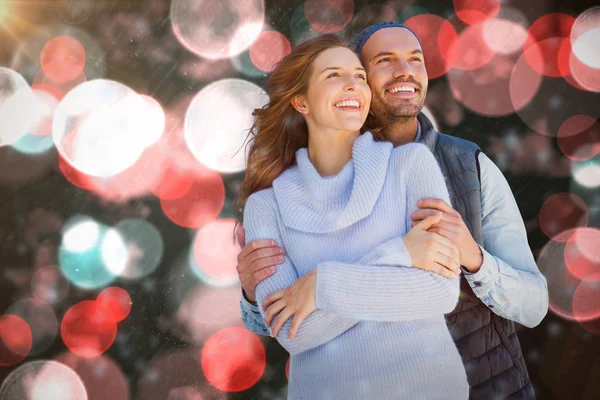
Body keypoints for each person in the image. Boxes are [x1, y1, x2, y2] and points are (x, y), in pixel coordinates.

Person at [237, 22, 549, 400]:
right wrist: (397, 255)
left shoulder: (467, 166)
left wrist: (474, 257)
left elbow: (527, 304)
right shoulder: (272, 200)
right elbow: (289, 324)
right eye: (384, 61)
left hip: (486, 386)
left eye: (416, 60)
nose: (405, 71)